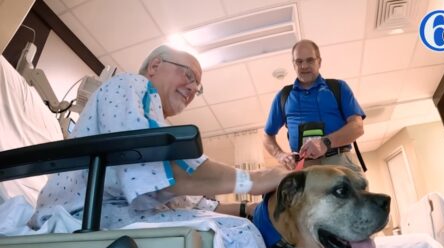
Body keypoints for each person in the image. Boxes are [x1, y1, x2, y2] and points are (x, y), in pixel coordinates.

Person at [29, 45, 286, 232]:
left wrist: (247, 210)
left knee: (241, 225)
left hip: (110, 211)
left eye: (198, 85)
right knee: (238, 233)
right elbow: (162, 175)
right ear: (154, 66)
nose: (194, 88)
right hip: (86, 213)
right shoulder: (132, 86)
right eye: (189, 75)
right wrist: (254, 180)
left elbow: (190, 200)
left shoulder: (155, 122)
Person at [263, 39, 365, 174]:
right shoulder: (283, 96)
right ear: (293, 64)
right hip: (304, 167)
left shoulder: (338, 87)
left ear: (319, 62)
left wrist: (325, 143)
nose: (304, 66)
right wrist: (279, 154)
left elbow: (358, 127)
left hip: (339, 161)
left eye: (310, 60)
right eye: (299, 61)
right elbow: (267, 136)